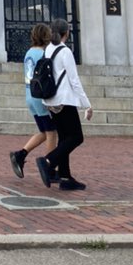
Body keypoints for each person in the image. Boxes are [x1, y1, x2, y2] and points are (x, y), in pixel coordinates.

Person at [35, 18, 92, 191]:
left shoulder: (49, 49)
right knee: (76, 137)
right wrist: (86, 104)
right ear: (66, 33)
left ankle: (65, 176)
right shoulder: (65, 52)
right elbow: (74, 81)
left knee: (64, 138)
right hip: (64, 100)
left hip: (50, 99)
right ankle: (48, 161)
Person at [9, 22, 58, 179]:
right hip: (40, 98)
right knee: (52, 133)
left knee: (43, 132)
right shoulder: (44, 54)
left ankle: (20, 154)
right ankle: (50, 167)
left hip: (30, 96)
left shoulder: (29, 52)